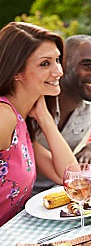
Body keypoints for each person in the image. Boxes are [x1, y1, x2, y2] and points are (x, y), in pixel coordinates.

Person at [0, 22, 77, 226]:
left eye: (57, 60)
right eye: (45, 64)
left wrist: (44, 118)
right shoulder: (3, 116)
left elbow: (71, 178)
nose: (59, 71)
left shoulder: (19, 119)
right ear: (16, 71)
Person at [33, 34, 91, 195]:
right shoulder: (33, 101)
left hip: (61, 186)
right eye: (88, 65)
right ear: (63, 64)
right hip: (24, 194)